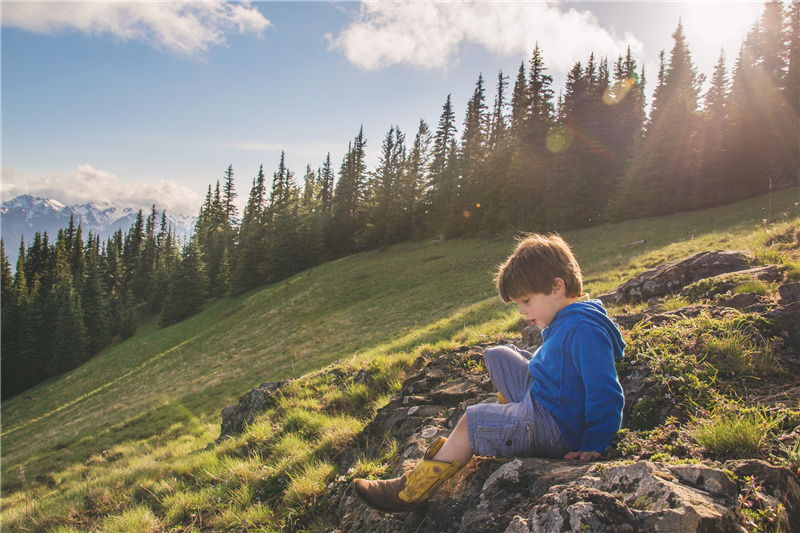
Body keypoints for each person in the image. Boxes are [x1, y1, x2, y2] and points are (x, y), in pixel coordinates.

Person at [353, 233, 625, 513]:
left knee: (471, 421)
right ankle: (516, 416)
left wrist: (595, 442)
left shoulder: (584, 329)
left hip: (555, 427)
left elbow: (604, 389)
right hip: (546, 400)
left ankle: (409, 492)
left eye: (527, 301)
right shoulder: (570, 317)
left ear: (557, 287)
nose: (521, 311)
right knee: (499, 355)